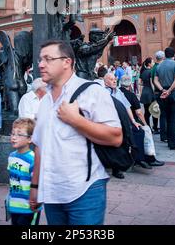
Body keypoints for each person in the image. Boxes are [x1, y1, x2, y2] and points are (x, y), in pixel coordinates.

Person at [30, 40, 122, 225]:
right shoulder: (45, 101)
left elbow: (116, 137)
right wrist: (36, 186)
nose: (40, 64)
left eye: (48, 59)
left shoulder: (92, 93)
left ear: (67, 62)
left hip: (85, 190)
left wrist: (76, 120)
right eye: (41, 59)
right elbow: (40, 146)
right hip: (52, 191)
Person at [119, 75, 165, 168]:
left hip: (120, 121)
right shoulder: (131, 95)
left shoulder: (117, 92)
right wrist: (146, 124)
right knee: (145, 132)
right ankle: (150, 159)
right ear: (130, 84)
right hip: (131, 122)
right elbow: (139, 113)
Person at [7, 118, 41, 226]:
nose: (14, 137)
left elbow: (39, 182)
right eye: (12, 133)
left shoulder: (33, 159)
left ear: (30, 139)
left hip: (29, 208)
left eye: (19, 134)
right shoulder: (11, 157)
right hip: (14, 206)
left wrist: (37, 201)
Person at [154, 47, 175, 150]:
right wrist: (169, 91)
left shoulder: (159, 65)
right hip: (174, 92)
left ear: (165, 55)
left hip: (163, 93)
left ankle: (170, 141)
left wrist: (163, 90)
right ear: (174, 54)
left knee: (167, 117)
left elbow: (155, 80)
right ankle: (173, 143)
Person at [151, 51, 165, 134]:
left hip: (157, 91)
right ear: (163, 57)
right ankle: (161, 130)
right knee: (161, 112)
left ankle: (157, 127)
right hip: (159, 91)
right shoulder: (158, 67)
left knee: (157, 111)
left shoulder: (154, 67)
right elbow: (154, 81)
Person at [139, 57, 155, 127]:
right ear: (149, 64)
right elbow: (152, 83)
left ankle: (147, 125)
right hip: (150, 92)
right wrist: (155, 92)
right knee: (154, 111)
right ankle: (155, 127)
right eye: (152, 62)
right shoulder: (151, 71)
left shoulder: (143, 71)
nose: (153, 63)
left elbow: (139, 82)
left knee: (147, 111)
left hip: (145, 92)